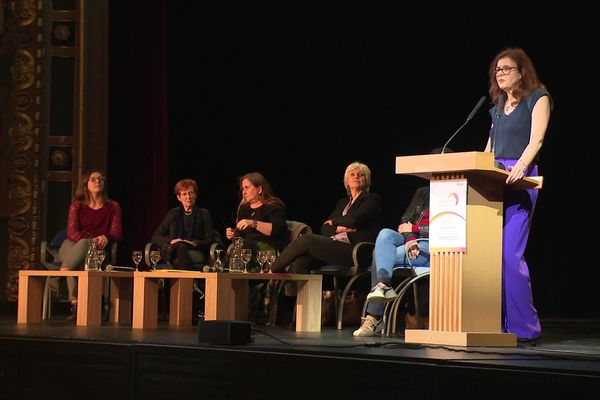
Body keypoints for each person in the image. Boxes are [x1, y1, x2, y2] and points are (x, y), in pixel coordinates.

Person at [485, 47, 552, 343]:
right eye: (497, 70)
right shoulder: (498, 106)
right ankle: (495, 325)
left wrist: (521, 166)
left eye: (507, 69)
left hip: (521, 180)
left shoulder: (538, 98)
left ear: (522, 72)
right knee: (488, 257)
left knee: (508, 255)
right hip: (493, 180)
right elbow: (489, 147)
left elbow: (536, 138)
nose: (500, 74)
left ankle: (525, 327)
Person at [270, 161, 381, 274]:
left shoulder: (371, 199)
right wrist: (339, 228)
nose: (356, 176)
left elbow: (355, 220)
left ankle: (272, 271)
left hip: (355, 250)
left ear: (366, 180)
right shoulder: (342, 203)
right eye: (352, 174)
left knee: (307, 239)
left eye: (360, 174)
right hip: (336, 246)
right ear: (347, 180)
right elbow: (324, 228)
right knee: (301, 262)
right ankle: (294, 292)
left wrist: (335, 222)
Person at [353, 185, 430, 337]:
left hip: (433, 243)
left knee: (380, 254)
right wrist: (410, 240)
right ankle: (383, 285)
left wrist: (415, 229)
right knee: (385, 234)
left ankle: (374, 317)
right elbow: (404, 221)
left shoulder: (458, 191)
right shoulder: (423, 191)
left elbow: (451, 227)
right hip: (412, 240)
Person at [54, 169, 122, 318]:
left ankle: (73, 299)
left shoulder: (113, 207)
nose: (98, 181)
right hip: (71, 245)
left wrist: (107, 237)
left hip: (98, 251)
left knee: (77, 261)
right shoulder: (77, 206)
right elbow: (72, 233)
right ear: (86, 184)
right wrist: (90, 240)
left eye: (100, 179)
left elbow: (116, 233)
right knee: (83, 245)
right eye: (93, 179)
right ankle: (77, 301)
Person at [225, 172, 288, 271]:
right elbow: (241, 235)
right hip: (247, 249)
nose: (243, 192)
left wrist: (253, 223)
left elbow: (277, 231)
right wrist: (233, 234)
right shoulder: (243, 209)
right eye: (243, 189)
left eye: (247, 187)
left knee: (245, 246)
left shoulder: (273, 207)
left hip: (266, 250)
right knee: (239, 247)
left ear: (259, 189)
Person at [151, 179, 215, 269]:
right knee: (180, 246)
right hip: (173, 250)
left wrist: (193, 243)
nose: (188, 197)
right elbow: (156, 237)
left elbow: (209, 240)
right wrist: (172, 241)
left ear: (195, 195)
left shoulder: (203, 214)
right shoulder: (173, 213)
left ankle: (180, 279)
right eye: (184, 194)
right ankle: (188, 281)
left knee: (181, 249)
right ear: (179, 197)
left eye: (190, 193)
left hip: (194, 250)